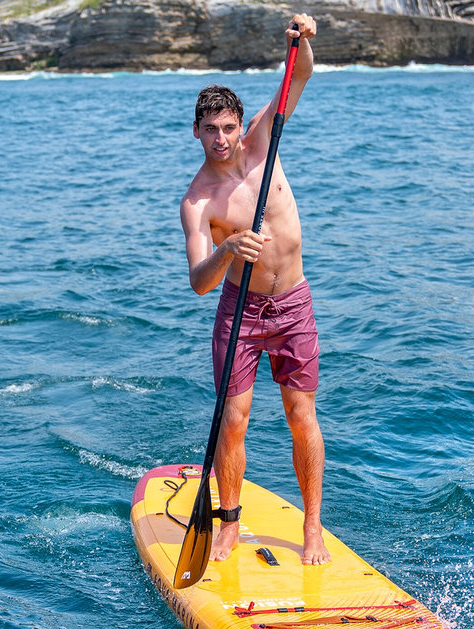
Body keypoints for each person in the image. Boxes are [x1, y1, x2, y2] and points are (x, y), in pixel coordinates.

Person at [180, 13, 331, 566]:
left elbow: (298, 77)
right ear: (195, 132)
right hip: (238, 311)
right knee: (233, 418)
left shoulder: (265, 141)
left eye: (228, 128)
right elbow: (199, 283)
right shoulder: (198, 202)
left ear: (241, 125)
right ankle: (228, 523)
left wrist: (303, 41)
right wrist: (227, 250)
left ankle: (313, 527)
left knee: (301, 416)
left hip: (293, 303)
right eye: (209, 129)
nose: (220, 140)